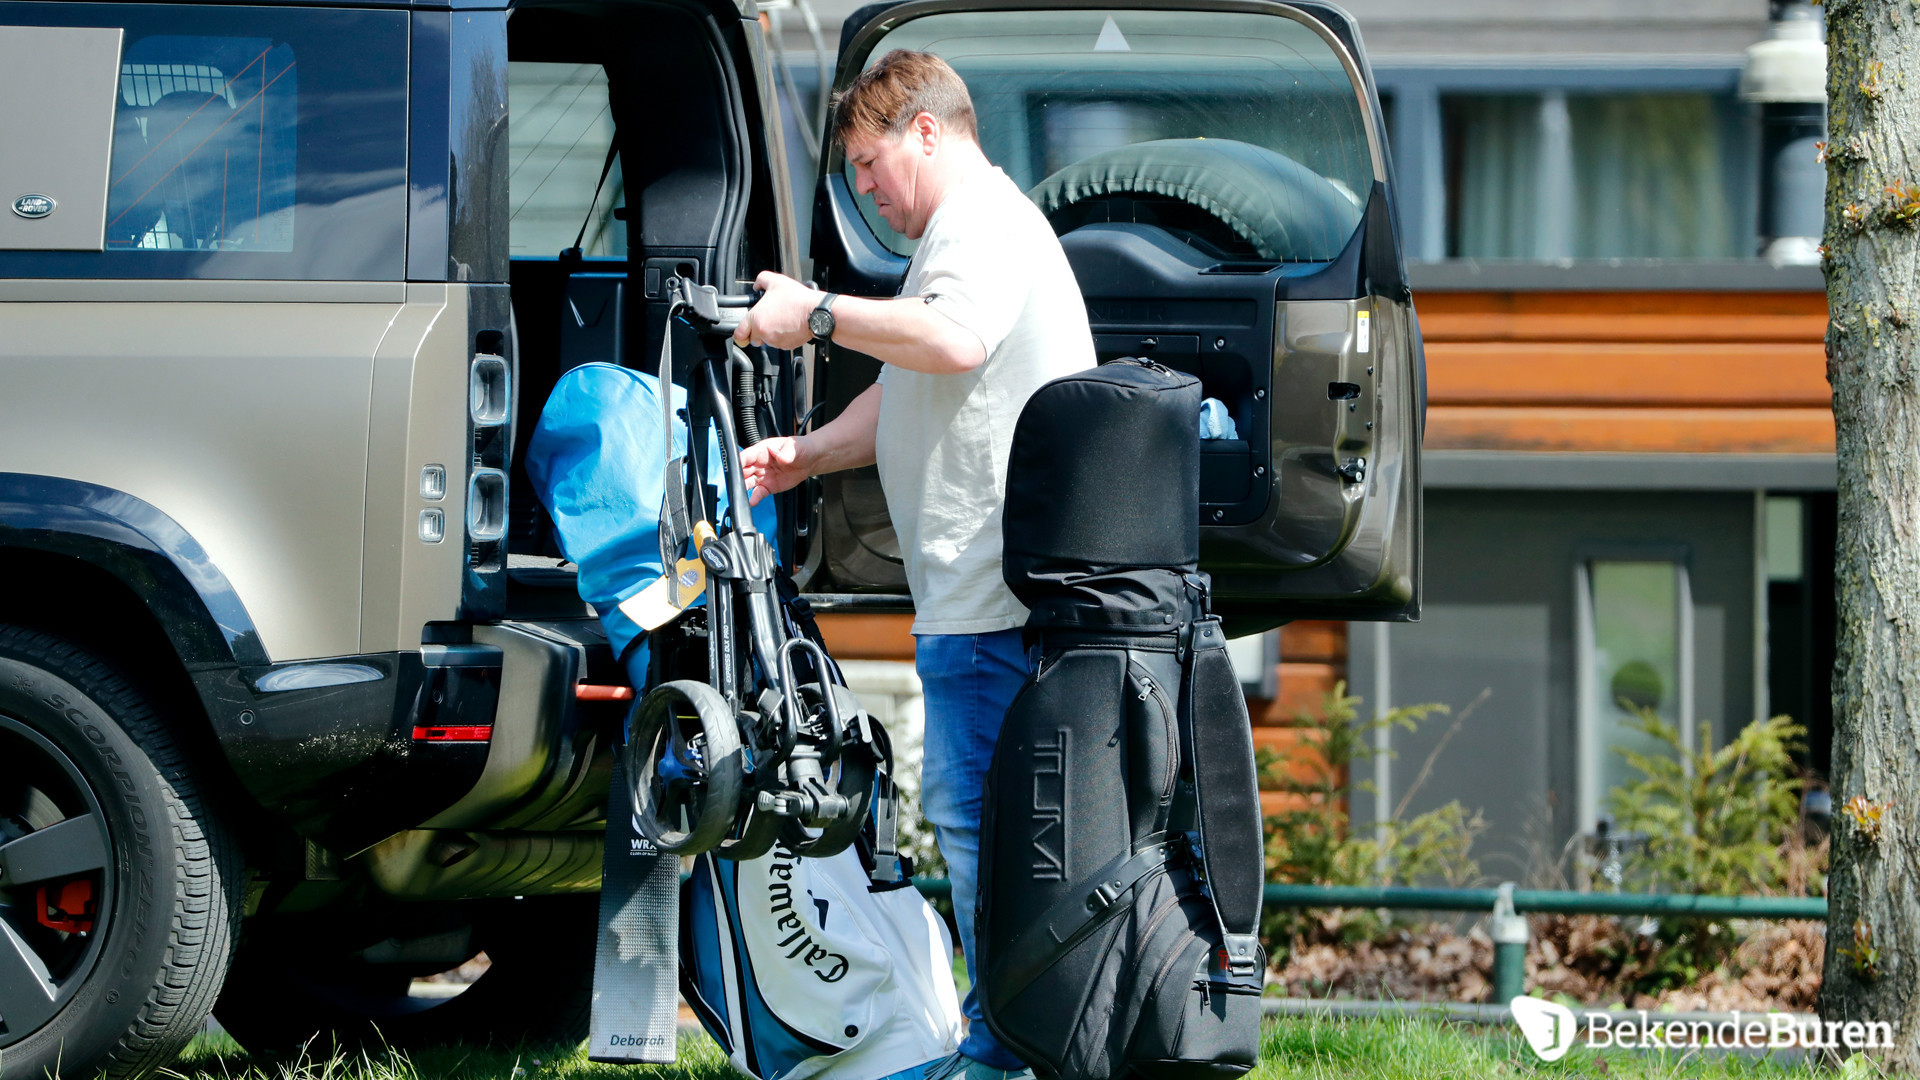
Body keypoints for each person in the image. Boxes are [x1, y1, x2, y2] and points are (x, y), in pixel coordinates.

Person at [733, 49, 1095, 1080]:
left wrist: (815, 313)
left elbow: (955, 342)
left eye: (866, 161)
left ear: (926, 131)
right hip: (980, 607)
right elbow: (911, 383)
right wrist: (805, 457)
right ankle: (1009, 1051)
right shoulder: (970, 232)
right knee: (998, 848)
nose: (863, 189)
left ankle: (997, 1062)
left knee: (987, 849)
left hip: (989, 613)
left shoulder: (976, 223)